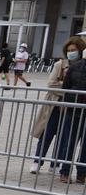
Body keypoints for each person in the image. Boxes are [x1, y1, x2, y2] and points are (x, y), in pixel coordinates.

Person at [30, 38, 80, 174]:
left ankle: (55, 163)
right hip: (55, 104)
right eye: (69, 51)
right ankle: (37, 161)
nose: (71, 53)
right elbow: (52, 84)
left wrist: (64, 86)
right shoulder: (60, 65)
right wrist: (68, 91)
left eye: (74, 50)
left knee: (64, 136)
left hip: (71, 106)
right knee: (47, 133)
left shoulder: (82, 66)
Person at [54, 38, 86, 183]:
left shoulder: (74, 67)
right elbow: (66, 87)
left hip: (77, 108)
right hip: (73, 109)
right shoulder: (74, 67)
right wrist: (65, 103)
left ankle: (80, 174)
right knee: (70, 142)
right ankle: (66, 172)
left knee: (81, 144)